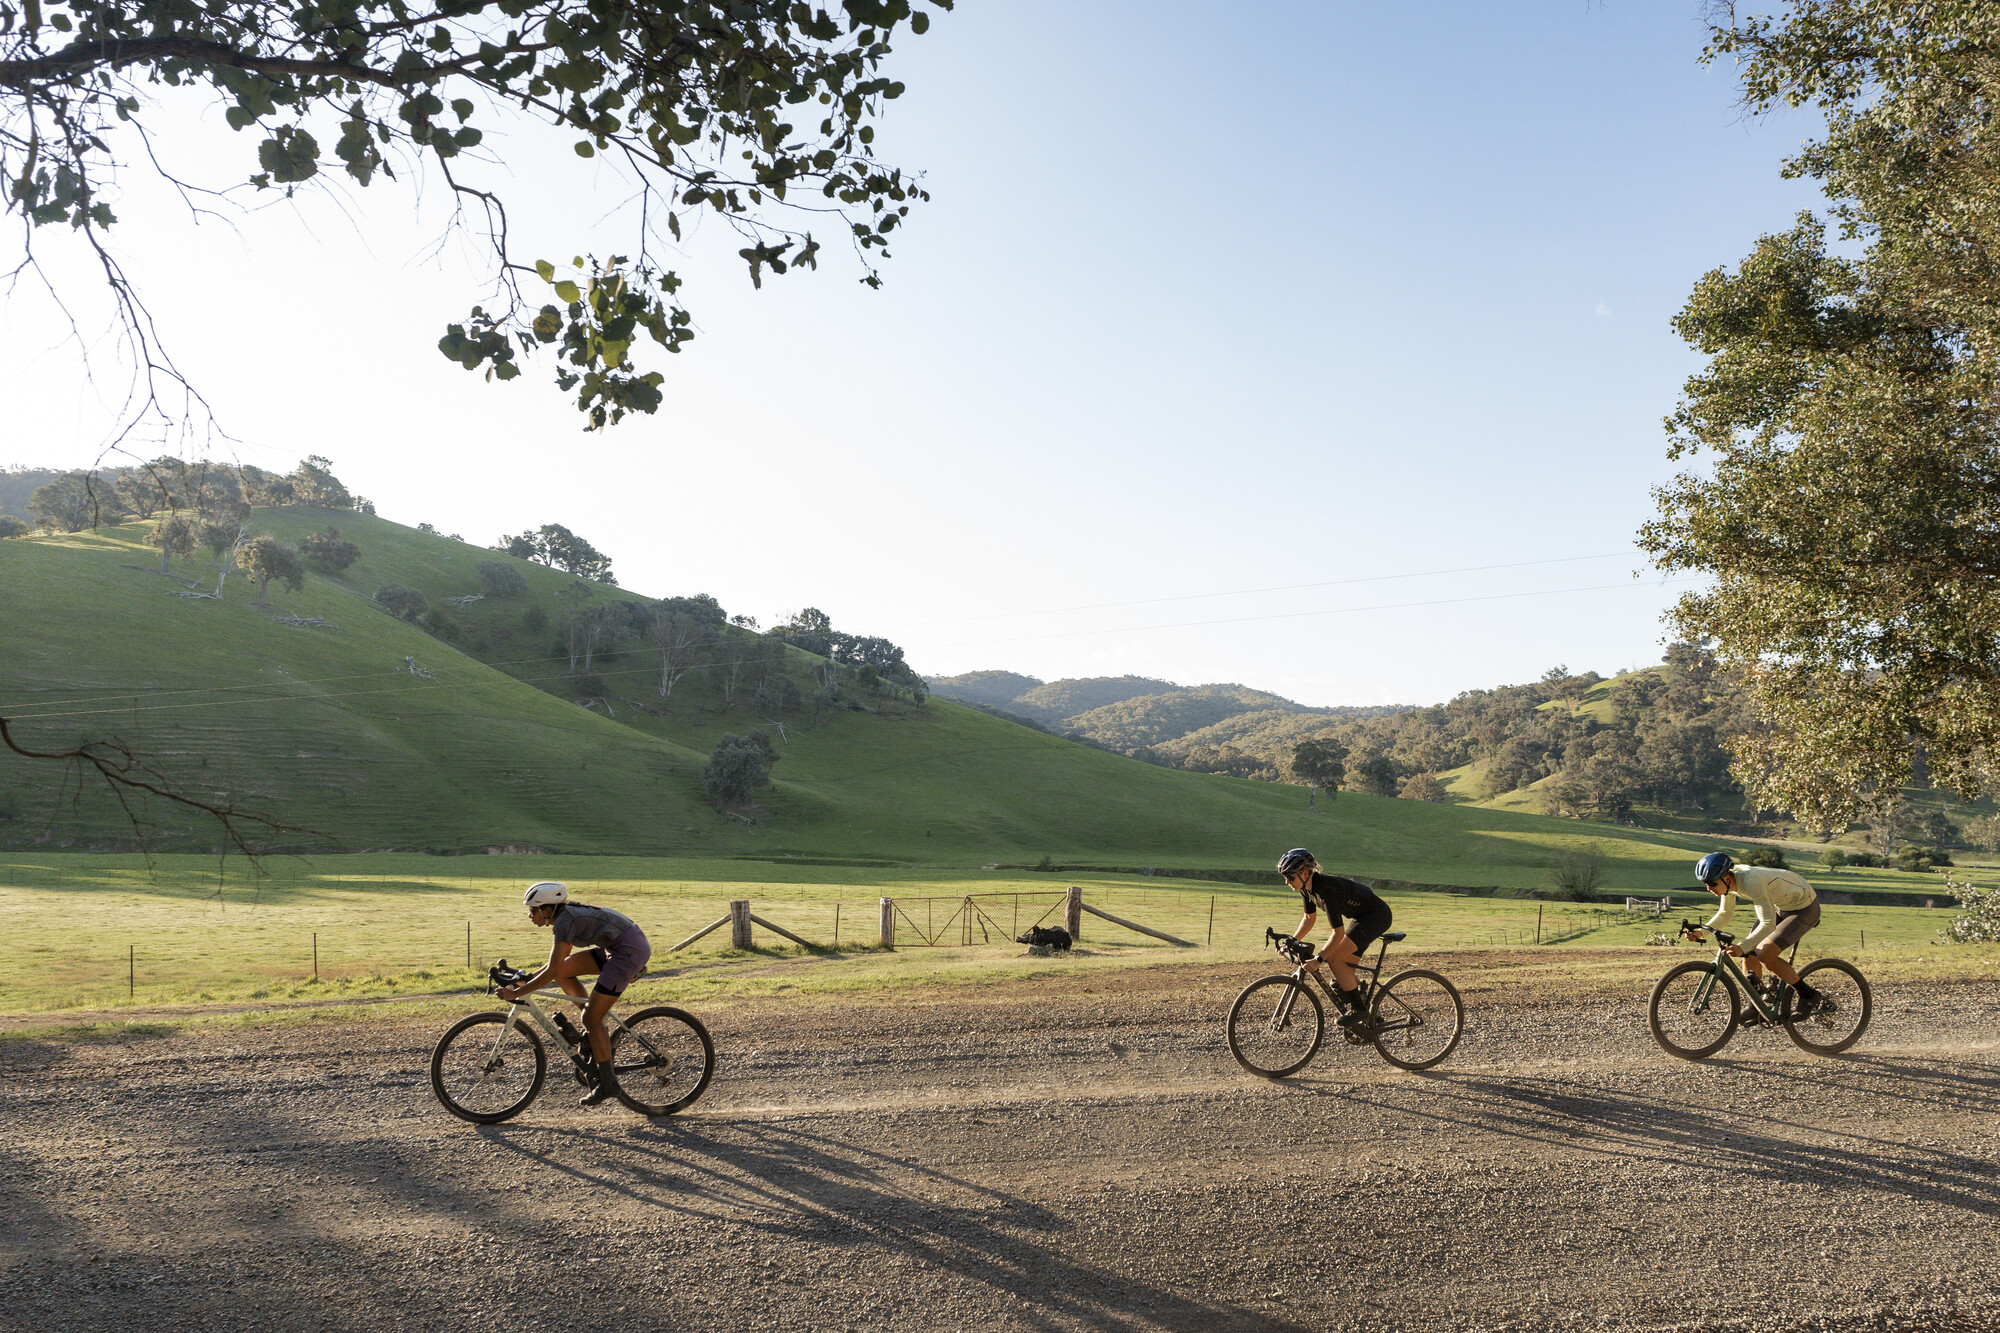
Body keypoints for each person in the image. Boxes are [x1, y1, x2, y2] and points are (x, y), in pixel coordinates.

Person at [496, 881, 653, 1106]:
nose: (530, 916)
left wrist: (518, 992)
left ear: (547, 910)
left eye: (533, 910)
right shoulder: (565, 918)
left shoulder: (564, 922)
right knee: (565, 975)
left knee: (590, 1018)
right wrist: (528, 978)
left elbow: (551, 969)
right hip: (618, 946)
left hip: (628, 951)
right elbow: (558, 967)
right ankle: (595, 1029)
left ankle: (609, 1084)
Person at [1684, 852, 1823, 1017]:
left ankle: (1809, 995)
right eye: (1705, 884)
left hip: (1804, 909)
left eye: (1711, 884)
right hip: (1781, 907)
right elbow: (1725, 913)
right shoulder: (1727, 885)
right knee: (1749, 954)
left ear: (1727, 878)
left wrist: (1742, 946)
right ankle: (1756, 1006)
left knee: (1764, 954)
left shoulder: (1751, 881)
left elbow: (1768, 923)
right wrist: (1701, 932)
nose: (1708, 888)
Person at [1277, 848, 1393, 1029]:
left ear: (1305, 873)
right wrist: (1291, 940)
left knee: (1334, 959)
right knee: (1342, 975)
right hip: (1362, 918)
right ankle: (1368, 1014)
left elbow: (1337, 933)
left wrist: (1318, 959)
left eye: (1290, 877)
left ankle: (1359, 1010)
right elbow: (1309, 919)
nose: (1287, 882)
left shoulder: (1326, 890)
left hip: (1376, 916)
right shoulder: (1307, 888)